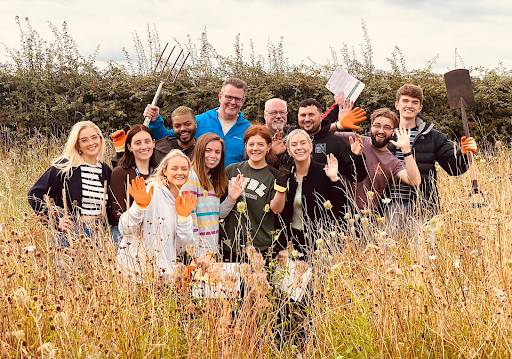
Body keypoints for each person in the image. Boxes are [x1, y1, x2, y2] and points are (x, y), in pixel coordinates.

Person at [386, 84, 477, 218]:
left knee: (425, 240)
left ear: (420, 108)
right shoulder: (383, 133)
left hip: (422, 206)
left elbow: (454, 168)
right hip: (387, 205)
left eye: (414, 102)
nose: (409, 106)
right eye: (405, 101)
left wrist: (463, 153)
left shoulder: (433, 136)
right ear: (397, 105)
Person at [28, 121, 114, 245]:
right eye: (84, 140)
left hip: (98, 234)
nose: (91, 143)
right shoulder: (66, 166)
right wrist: (55, 221)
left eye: (94, 137)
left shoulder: (105, 170)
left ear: (100, 139)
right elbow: (34, 194)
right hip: (70, 234)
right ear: (77, 145)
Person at [117, 150, 198, 278]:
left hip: (165, 275)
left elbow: (183, 247)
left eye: (184, 169)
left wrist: (183, 218)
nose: (180, 173)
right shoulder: (152, 190)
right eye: (174, 168)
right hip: (136, 271)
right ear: (165, 171)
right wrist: (139, 206)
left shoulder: (184, 201)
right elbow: (125, 229)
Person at [276, 129, 356, 255]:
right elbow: (280, 216)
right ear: (289, 151)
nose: (299, 148)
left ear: (310, 146)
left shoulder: (325, 172)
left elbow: (344, 207)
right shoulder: (286, 175)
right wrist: (282, 246)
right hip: (293, 240)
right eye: (294, 144)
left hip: (322, 241)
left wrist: (335, 179)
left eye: (303, 143)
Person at [144, 78, 251, 166]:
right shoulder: (200, 121)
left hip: (232, 189)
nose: (232, 102)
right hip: (200, 187)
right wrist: (155, 121)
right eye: (228, 97)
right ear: (220, 97)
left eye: (237, 99)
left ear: (243, 101)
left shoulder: (249, 131)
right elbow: (168, 138)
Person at [332, 108, 421, 212]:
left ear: (393, 132)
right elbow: (320, 134)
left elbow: (414, 181)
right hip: (337, 212)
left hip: (365, 217)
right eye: (377, 125)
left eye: (387, 127)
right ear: (371, 126)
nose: (381, 131)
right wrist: (338, 125)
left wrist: (406, 150)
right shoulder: (354, 139)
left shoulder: (392, 162)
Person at [220, 125, 286, 262]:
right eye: (251, 144)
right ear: (245, 146)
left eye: (261, 144)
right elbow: (217, 205)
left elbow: (276, 209)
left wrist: (282, 185)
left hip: (260, 246)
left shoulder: (273, 175)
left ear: (268, 146)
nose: (255, 148)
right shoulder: (232, 170)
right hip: (230, 244)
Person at [181, 133, 244, 257]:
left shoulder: (211, 179)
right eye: (208, 151)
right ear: (199, 151)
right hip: (197, 254)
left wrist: (231, 198)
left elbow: (217, 215)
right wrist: (196, 254)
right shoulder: (191, 177)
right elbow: (189, 219)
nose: (213, 156)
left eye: (217, 152)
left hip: (211, 249)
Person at [295, 98, 367, 182]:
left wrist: (357, 157)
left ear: (321, 117)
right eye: (303, 115)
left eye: (311, 115)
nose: (307, 119)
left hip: (325, 195)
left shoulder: (336, 143)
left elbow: (357, 177)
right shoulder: (291, 142)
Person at [110, 124, 156, 241]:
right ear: (129, 147)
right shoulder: (120, 173)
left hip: (156, 231)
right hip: (128, 233)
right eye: (138, 143)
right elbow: (118, 213)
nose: (144, 146)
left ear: (153, 143)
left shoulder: (160, 172)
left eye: (147, 141)